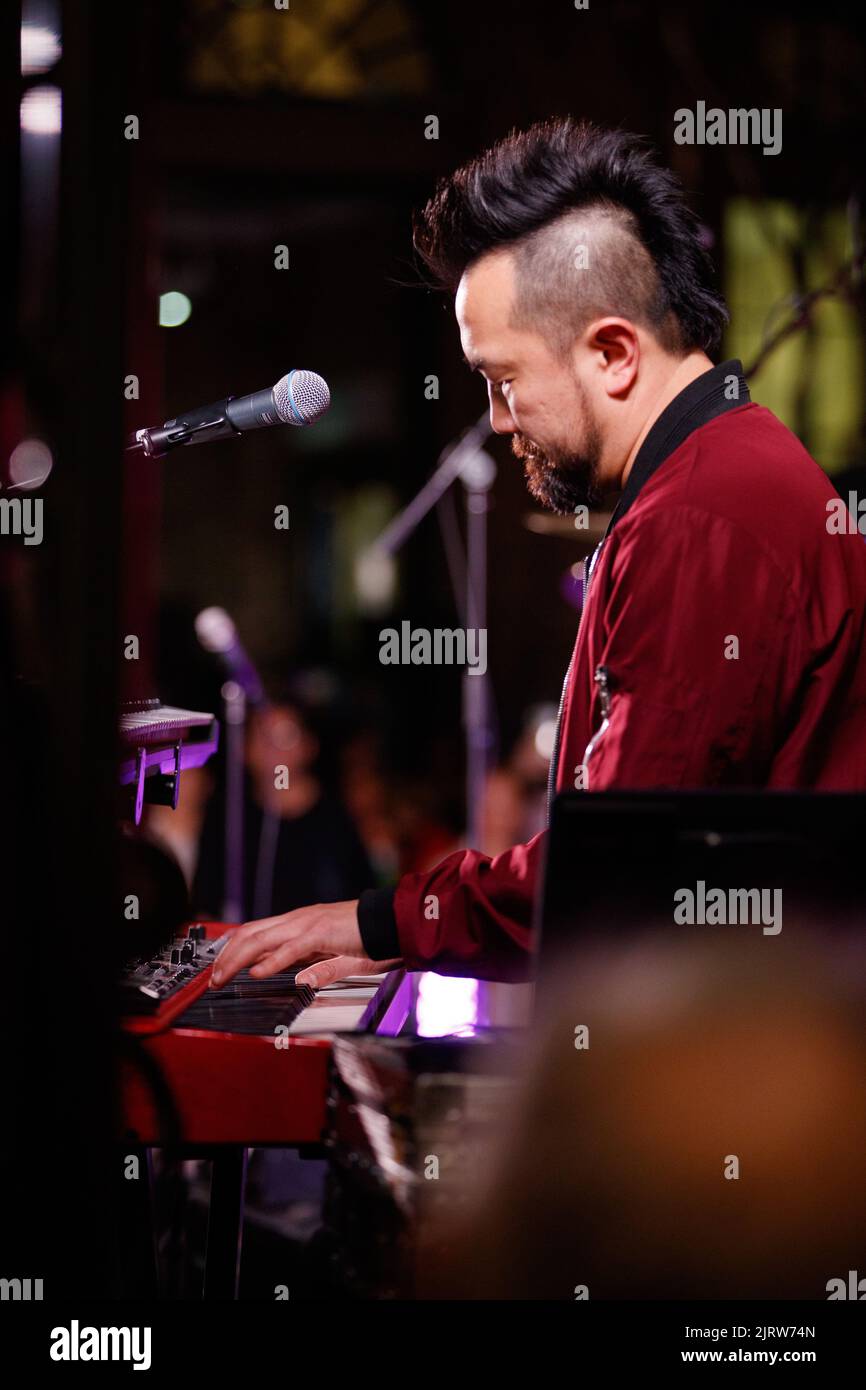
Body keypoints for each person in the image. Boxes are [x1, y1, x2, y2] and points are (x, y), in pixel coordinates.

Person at [210, 117, 866, 993]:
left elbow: (610, 873)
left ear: (613, 352)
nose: (498, 421)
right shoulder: (716, 480)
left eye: (503, 381)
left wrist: (379, 919)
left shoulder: (702, 521)